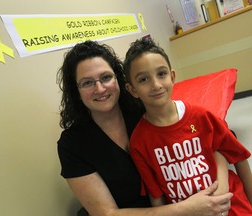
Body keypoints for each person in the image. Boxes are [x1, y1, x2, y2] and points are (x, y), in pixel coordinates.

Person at [56, 40, 233, 216]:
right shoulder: (72, 145)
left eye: (106, 77)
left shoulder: (145, 111)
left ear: (119, 80)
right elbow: (107, 214)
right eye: (87, 83)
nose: (100, 88)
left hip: (184, 200)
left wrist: (220, 187)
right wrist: (187, 209)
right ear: (76, 91)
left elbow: (212, 139)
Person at [123, 37, 252, 216]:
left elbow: (238, 157)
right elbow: (156, 196)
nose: (156, 85)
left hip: (231, 206)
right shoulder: (139, 142)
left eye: (161, 74)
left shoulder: (201, 116)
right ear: (133, 90)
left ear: (172, 76)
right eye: (144, 79)